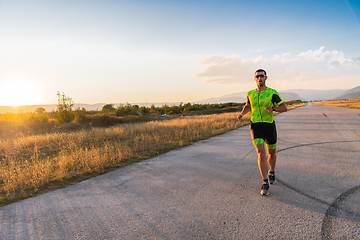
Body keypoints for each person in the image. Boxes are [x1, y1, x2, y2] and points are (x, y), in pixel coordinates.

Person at [237, 69, 287, 196]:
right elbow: (248, 105)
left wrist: (274, 108)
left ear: (266, 77)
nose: (259, 78)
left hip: (269, 126)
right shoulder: (250, 93)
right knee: (261, 153)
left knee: (271, 153)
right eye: (257, 76)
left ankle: (272, 171)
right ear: (254, 78)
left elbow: (284, 108)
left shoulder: (272, 93)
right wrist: (242, 113)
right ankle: (265, 182)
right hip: (256, 126)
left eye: (262, 76)